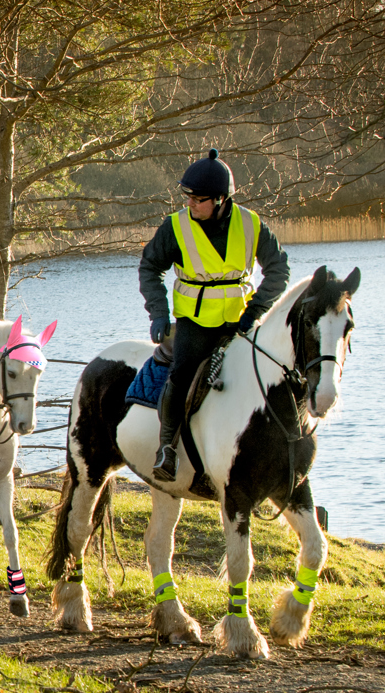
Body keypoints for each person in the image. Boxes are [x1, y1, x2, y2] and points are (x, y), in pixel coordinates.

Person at [139, 148, 291, 482]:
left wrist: (256, 311)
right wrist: (159, 313)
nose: (190, 204)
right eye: (188, 197)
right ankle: (167, 449)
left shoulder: (251, 224)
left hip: (241, 321)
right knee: (181, 374)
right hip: (195, 323)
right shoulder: (175, 226)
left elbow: (279, 268)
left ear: (221, 200)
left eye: (198, 199)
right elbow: (150, 267)